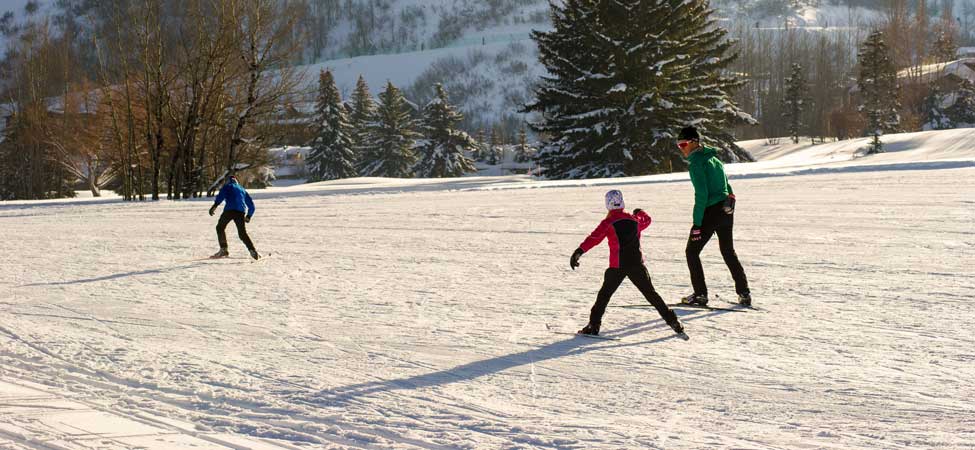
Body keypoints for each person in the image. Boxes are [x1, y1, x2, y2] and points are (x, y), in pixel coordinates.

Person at [569, 190, 686, 338]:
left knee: (604, 295)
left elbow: (594, 238)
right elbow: (647, 219)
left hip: (617, 266)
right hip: (637, 264)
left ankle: (594, 325)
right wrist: (640, 211)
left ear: (608, 204)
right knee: (651, 295)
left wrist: (579, 251)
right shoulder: (634, 219)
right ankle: (673, 322)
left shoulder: (608, 222)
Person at [676, 126, 750, 306]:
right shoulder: (714, 158)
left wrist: (697, 224)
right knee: (728, 252)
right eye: (678, 145)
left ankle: (700, 294)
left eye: (684, 144)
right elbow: (727, 184)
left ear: (694, 142)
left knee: (691, 252)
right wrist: (731, 198)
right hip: (726, 211)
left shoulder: (696, 163)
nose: (681, 148)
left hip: (710, 212)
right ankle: (744, 293)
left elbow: (701, 194)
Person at [209, 175, 261, 260]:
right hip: (240, 212)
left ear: (228, 181)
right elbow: (251, 205)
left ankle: (224, 249)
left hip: (229, 211)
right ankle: (253, 251)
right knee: (242, 233)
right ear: (236, 180)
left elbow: (221, 196)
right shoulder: (242, 189)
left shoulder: (227, 186)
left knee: (220, 227)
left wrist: (214, 206)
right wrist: (249, 215)